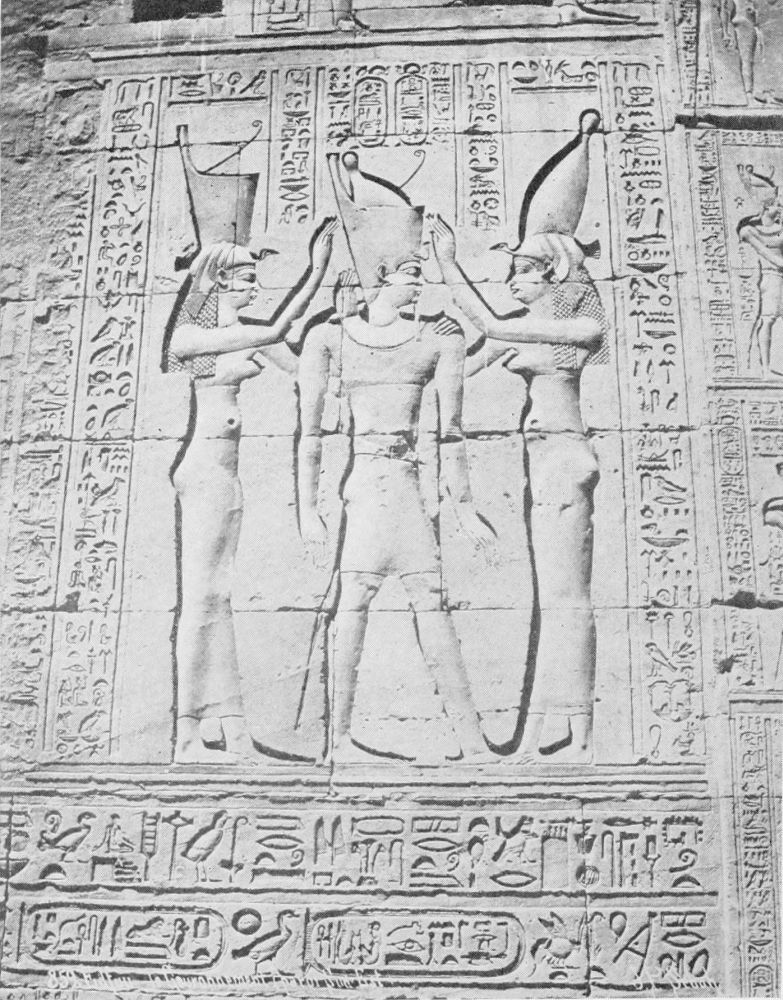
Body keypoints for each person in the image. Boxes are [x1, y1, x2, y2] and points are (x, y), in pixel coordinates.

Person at [297, 153, 496, 764]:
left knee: (432, 606)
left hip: (406, 487)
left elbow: (452, 433)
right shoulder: (328, 338)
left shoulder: (438, 339)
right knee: (352, 604)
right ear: (380, 274)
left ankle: (471, 741)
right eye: (412, 272)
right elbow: (309, 434)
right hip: (364, 488)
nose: (419, 283)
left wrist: (462, 505)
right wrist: (307, 508)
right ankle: (337, 740)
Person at [430, 110, 608, 762]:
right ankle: (548, 730)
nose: (512, 281)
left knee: (566, 599)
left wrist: (448, 265)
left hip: (563, 458)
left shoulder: (577, 328)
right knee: (551, 598)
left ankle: (576, 733)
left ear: (554, 273)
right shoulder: (538, 327)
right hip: (546, 459)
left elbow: (494, 327)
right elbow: (471, 355)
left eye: (522, 272)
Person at [166, 219, 338, 763]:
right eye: (245, 280)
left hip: (226, 476)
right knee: (201, 602)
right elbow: (276, 329)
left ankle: (234, 734)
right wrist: (315, 271)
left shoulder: (239, 330)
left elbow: (304, 367)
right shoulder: (193, 337)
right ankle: (186, 736)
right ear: (217, 281)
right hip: (204, 473)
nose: (254, 289)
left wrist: (341, 329)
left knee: (217, 599)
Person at [737, 166, 783, 376]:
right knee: (769, 318)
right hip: (770, 278)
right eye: (775, 206)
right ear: (764, 208)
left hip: (778, 275)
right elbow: (767, 254)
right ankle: (765, 368)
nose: (779, 208)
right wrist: (749, 180)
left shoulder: (779, 230)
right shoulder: (750, 231)